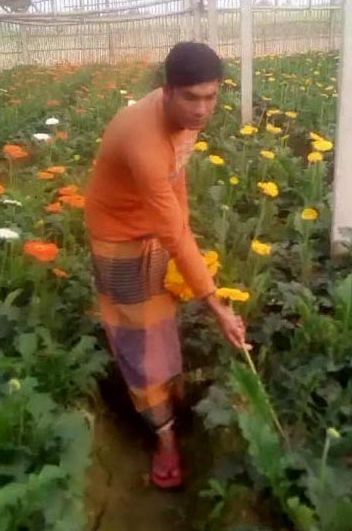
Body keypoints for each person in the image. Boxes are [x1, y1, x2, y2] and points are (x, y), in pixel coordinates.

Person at [83, 42, 250, 489]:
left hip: (153, 224)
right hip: (118, 234)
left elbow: (177, 185)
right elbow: (172, 226)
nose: (202, 110)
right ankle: (165, 437)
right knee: (139, 336)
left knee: (161, 319)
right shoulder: (144, 139)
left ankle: (169, 400)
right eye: (192, 98)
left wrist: (182, 225)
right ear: (167, 90)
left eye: (211, 96)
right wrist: (216, 307)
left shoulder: (184, 122)